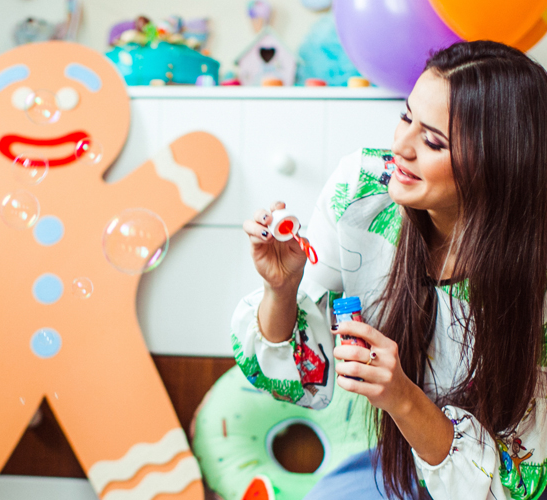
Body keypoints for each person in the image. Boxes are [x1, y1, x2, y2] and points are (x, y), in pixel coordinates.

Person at [233, 41, 547, 500]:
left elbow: (515, 483)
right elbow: (303, 376)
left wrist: (401, 395)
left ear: (500, 162)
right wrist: (281, 290)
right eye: (406, 117)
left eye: (433, 140)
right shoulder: (360, 193)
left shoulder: (534, 283)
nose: (400, 147)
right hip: (399, 464)